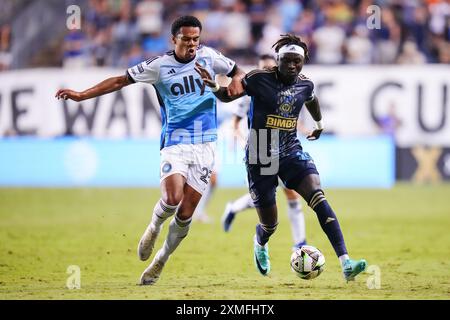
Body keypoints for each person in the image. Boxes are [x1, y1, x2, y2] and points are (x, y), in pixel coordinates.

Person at [56, 16, 246, 285]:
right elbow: (119, 81)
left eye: (196, 39)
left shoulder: (210, 57)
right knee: (171, 199)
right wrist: (81, 95)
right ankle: (154, 226)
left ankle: (161, 260)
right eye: (186, 39)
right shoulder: (159, 66)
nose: (192, 44)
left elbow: (239, 72)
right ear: (174, 39)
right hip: (175, 142)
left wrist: (236, 83)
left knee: (186, 213)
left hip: (205, 144)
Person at [195, 34, 367, 281]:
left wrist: (318, 124)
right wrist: (212, 86)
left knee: (317, 196)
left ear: (303, 61)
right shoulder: (257, 78)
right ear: (278, 60)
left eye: (298, 61)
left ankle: (346, 263)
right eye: (288, 61)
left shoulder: (305, 84)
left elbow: (312, 99)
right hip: (260, 154)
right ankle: (260, 241)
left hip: (290, 150)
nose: (293, 66)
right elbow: (227, 95)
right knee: (270, 224)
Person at [221, 54, 307, 250]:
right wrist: (240, 138)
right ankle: (233, 208)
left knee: (291, 194)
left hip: (284, 147)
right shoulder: (251, 90)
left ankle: (299, 242)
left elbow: (292, 118)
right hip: (260, 149)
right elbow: (236, 120)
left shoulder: (286, 88)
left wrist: (305, 130)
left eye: (270, 67)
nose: (268, 70)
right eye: (264, 67)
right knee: (266, 198)